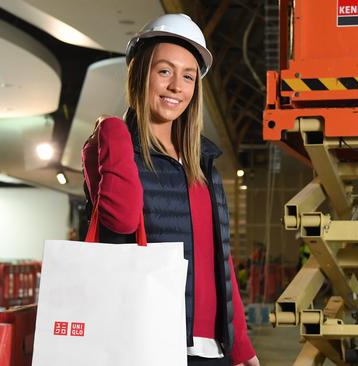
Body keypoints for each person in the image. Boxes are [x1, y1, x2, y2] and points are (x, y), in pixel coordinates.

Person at [82, 14, 259, 366]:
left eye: (188, 76)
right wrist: (114, 130)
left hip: (212, 351)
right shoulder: (112, 145)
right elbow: (120, 221)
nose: (177, 85)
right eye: (164, 71)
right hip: (146, 344)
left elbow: (220, 264)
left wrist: (242, 348)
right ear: (139, 74)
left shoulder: (205, 165)